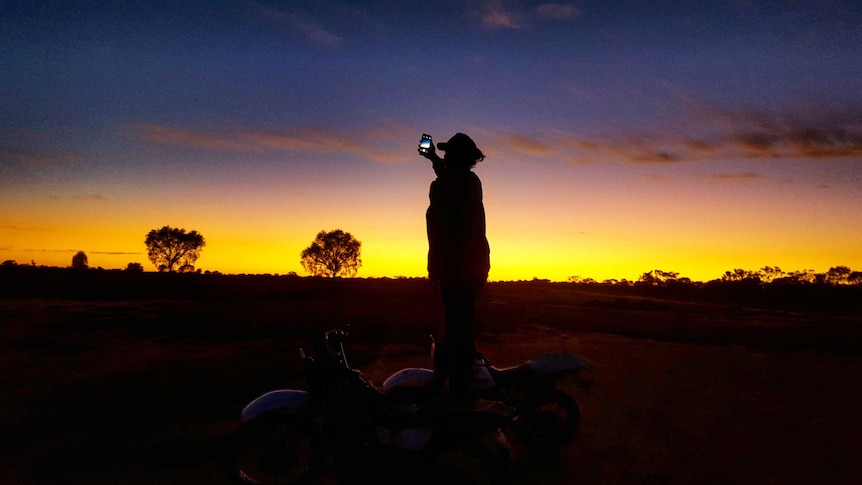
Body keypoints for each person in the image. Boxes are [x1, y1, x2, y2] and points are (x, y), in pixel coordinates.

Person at [418, 132, 490, 403]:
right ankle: (462, 382)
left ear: (456, 159)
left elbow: (446, 183)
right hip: (467, 268)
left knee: (458, 328)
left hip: (457, 269)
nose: (444, 158)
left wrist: (436, 268)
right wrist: (434, 159)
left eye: (447, 155)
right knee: (459, 324)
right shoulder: (469, 182)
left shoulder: (450, 186)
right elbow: (448, 176)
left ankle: (463, 391)